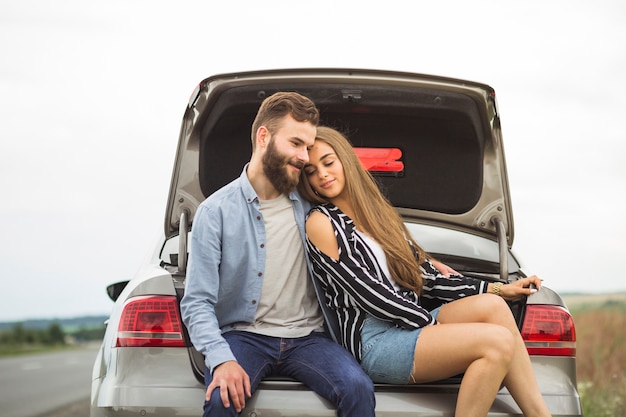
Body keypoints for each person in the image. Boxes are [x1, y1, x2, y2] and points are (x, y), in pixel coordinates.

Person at [298, 126, 553, 417]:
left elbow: (426, 279)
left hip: (407, 324)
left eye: (328, 163)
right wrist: (431, 327)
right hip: (374, 341)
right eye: (310, 171)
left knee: (494, 307)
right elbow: (370, 294)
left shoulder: (379, 216)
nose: (322, 174)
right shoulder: (321, 222)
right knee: (497, 343)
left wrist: (497, 288)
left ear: (345, 160)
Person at [180, 93, 376, 417]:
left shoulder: (312, 205)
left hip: (309, 339)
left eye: (307, 147)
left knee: (358, 389)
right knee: (220, 400)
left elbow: (370, 232)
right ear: (263, 137)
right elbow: (197, 301)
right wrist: (222, 358)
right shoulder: (215, 212)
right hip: (245, 337)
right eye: (296, 143)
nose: (303, 157)